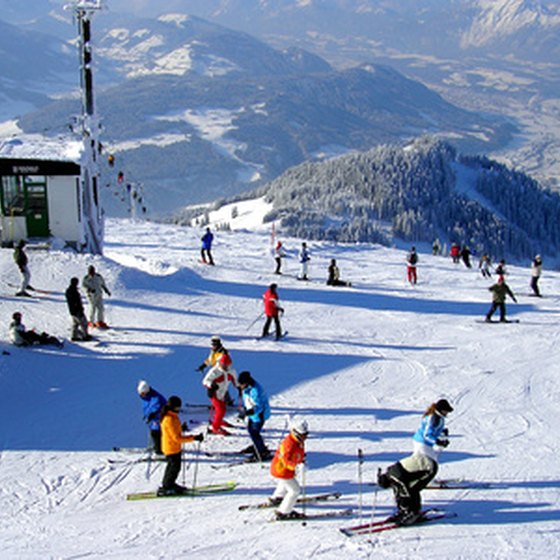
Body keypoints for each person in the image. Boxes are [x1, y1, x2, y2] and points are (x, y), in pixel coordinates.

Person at [377, 399, 453, 525]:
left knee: (422, 465)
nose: (447, 413)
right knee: (426, 463)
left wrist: (441, 436)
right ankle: (411, 511)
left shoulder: (436, 417)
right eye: (446, 411)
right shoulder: (434, 418)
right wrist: (439, 441)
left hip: (423, 446)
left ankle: (410, 511)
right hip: (423, 444)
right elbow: (428, 434)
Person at [158, 395, 204, 496]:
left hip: (174, 447)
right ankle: (166, 487)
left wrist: (181, 428)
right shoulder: (169, 419)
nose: (179, 409)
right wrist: (194, 438)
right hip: (171, 448)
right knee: (173, 468)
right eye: (178, 407)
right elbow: (177, 438)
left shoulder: (172, 416)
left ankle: (170, 484)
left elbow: (174, 431)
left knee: (174, 468)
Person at [269, 418, 309, 520]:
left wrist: (302, 460)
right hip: (281, 470)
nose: (305, 437)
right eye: (303, 435)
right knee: (294, 490)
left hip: (285, 471)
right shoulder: (289, 444)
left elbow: (299, 452)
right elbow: (285, 461)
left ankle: (277, 498)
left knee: (284, 484)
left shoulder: (297, 440)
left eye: (306, 434)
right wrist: (297, 466)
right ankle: (283, 512)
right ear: (295, 432)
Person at [202, 352, 238, 435]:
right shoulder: (215, 371)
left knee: (220, 408)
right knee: (221, 410)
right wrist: (211, 385)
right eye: (222, 364)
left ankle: (218, 420)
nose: (223, 366)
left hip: (223, 393)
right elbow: (205, 381)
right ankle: (215, 427)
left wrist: (239, 387)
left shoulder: (232, 372)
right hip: (214, 393)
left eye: (225, 364)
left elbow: (236, 382)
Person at [238, 371, 271, 461]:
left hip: (259, 415)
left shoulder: (256, 390)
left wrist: (247, 412)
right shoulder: (247, 388)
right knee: (251, 430)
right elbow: (247, 400)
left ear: (246, 382)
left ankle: (261, 451)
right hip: (252, 415)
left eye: (241, 384)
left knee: (254, 433)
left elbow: (259, 407)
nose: (240, 386)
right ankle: (257, 445)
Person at [137, 380, 167, 455]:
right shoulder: (146, 397)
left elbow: (156, 406)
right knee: (153, 431)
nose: (141, 395)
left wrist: (152, 414)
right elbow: (147, 407)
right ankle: (156, 446)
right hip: (153, 417)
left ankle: (159, 450)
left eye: (142, 393)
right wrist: (147, 415)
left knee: (156, 432)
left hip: (160, 416)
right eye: (140, 394)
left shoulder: (155, 396)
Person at [65, 277, 91, 341]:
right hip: (77, 310)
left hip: (72, 310)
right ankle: (85, 336)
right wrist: (80, 309)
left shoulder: (69, 290)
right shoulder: (73, 291)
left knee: (75, 323)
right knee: (84, 323)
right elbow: (76, 301)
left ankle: (74, 336)